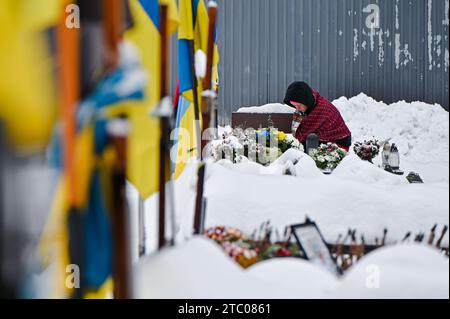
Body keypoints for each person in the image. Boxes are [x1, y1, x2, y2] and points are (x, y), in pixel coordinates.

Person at [283, 81, 352, 151]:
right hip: (317, 142)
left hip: (337, 143)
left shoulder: (322, 109)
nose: (297, 108)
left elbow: (306, 133)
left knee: (310, 140)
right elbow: (301, 132)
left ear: (306, 101)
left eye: (298, 105)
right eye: (294, 106)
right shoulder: (306, 108)